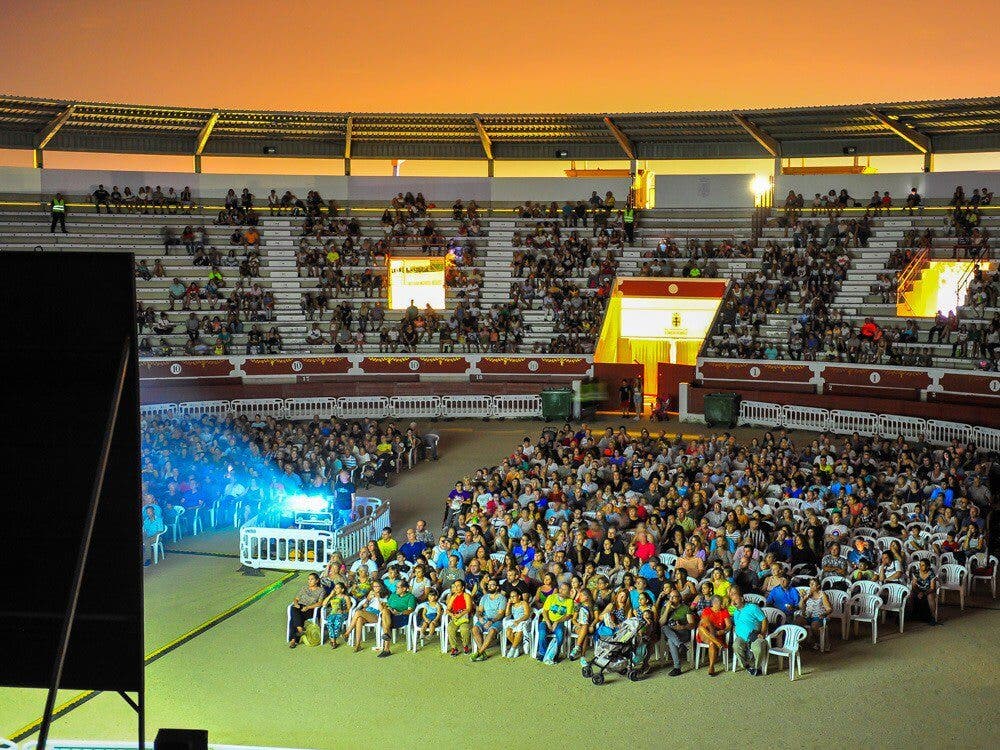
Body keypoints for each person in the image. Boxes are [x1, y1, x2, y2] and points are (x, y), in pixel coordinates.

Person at [731, 589, 769, 675]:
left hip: (755, 635)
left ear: (742, 599)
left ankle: (756, 667)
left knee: (758, 647)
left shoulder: (753, 607)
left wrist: (763, 633)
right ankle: (746, 665)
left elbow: (764, 620)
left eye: (735, 600)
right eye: (732, 600)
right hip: (741, 637)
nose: (733, 602)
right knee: (736, 646)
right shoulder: (736, 612)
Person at [536, 581, 575, 664]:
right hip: (546, 620)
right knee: (542, 632)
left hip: (559, 622)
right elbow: (544, 611)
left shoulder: (569, 601)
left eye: (564, 590)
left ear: (568, 592)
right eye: (561, 588)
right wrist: (548, 622)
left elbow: (569, 615)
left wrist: (557, 621)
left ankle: (555, 653)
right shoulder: (551, 597)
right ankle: (542, 653)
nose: (561, 591)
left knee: (560, 634)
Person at [659, 589, 695, 676]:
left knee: (672, 640)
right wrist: (667, 610)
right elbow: (660, 623)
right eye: (670, 597)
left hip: (683, 632)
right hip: (670, 632)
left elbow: (692, 624)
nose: (671, 599)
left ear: (679, 598)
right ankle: (680, 645)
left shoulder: (685, 608)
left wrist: (682, 626)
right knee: (664, 628)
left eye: (673, 597)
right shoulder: (665, 607)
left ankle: (677, 668)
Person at [471, 578, 507, 660]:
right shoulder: (484, 597)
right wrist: (479, 616)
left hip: (496, 620)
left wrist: (492, 621)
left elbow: (501, 614)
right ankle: (482, 653)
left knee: (492, 631)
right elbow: (479, 610)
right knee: (474, 629)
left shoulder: (502, 598)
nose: (489, 587)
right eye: (488, 585)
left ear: (497, 587)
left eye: (492, 585)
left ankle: (479, 653)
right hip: (485, 618)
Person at [377, 579, 415, 657]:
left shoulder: (411, 597)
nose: (395, 589)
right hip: (390, 615)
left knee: (385, 621)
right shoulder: (393, 595)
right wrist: (390, 609)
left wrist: (399, 613)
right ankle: (386, 637)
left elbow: (410, 610)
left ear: (404, 589)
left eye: (397, 587)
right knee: (385, 611)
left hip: (402, 617)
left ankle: (386, 647)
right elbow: (387, 606)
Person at [288, 573, 325, 648]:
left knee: (293, 619)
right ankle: (300, 630)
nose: (309, 581)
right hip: (300, 606)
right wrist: (296, 604)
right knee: (293, 609)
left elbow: (320, 603)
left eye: (312, 579)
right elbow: (296, 599)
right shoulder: (304, 588)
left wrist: (308, 607)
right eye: (308, 579)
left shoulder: (321, 590)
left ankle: (293, 640)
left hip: (311, 609)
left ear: (317, 581)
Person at [697, 595, 731, 676]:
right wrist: (712, 630)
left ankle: (711, 667)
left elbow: (729, 626)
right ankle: (718, 643)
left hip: (718, 634)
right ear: (714, 603)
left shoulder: (724, 611)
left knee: (711, 643)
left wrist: (723, 631)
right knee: (702, 627)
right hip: (705, 634)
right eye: (721, 603)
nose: (722, 605)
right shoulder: (707, 610)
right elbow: (703, 623)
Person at [798, 578, 832, 650]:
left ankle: (817, 641)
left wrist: (824, 614)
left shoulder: (822, 594)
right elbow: (800, 606)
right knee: (798, 621)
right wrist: (804, 598)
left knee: (814, 626)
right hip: (808, 615)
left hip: (818, 616)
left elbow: (829, 609)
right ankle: (799, 642)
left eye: (813, 584)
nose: (811, 586)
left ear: (818, 586)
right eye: (810, 584)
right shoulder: (807, 593)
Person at [446, 580, 473, 656]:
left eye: (458, 586)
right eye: (455, 586)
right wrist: (451, 614)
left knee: (464, 629)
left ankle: (465, 646)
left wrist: (460, 614)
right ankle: (454, 648)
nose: (456, 587)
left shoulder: (466, 595)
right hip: (455, 618)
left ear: (463, 587)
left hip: (465, 617)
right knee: (450, 628)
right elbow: (447, 609)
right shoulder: (453, 596)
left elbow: (468, 609)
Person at [322, 581, 351, 648]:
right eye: (335, 588)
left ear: (342, 589)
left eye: (338, 588)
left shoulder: (345, 597)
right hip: (333, 614)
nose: (335, 589)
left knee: (337, 622)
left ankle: (333, 640)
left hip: (342, 614)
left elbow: (349, 608)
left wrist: (343, 611)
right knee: (329, 622)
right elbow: (323, 604)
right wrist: (330, 595)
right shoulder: (333, 597)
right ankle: (333, 641)